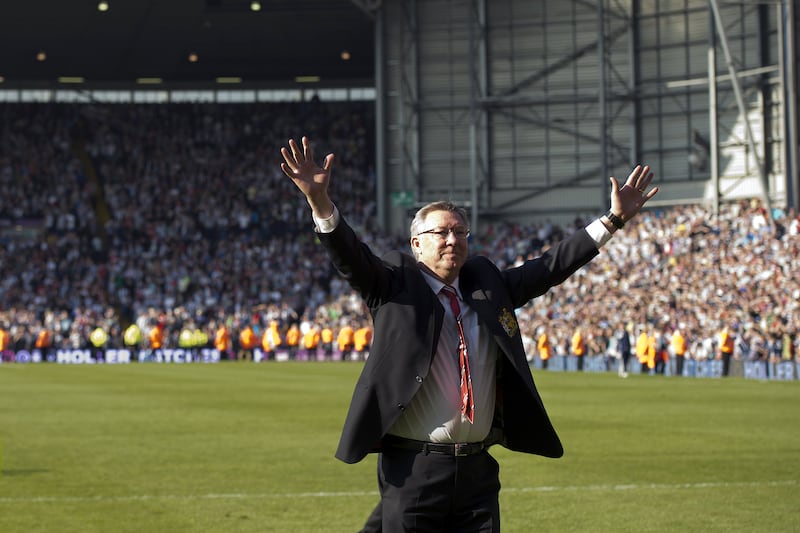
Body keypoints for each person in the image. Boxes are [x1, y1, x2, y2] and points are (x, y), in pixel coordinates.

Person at [280, 136, 658, 532]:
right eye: (441, 233)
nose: (452, 240)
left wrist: (611, 221)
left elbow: (549, 267)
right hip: (414, 469)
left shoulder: (486, 286)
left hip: (478, 471)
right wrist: (319, 201)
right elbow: (349, 257)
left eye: (460, 232)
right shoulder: (393, 284)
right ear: (416, 244)